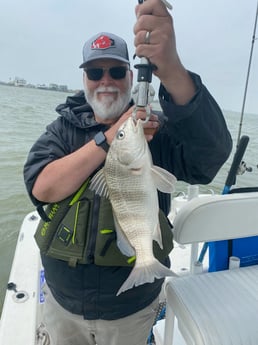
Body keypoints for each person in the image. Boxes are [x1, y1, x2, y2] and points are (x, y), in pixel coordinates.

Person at [24, 1, 232, 344]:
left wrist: (173, 70)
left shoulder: (156, 130)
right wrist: (111, 136)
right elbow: (41, 187)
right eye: (95, 73)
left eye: (116, 72)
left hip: (131, 310)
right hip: (63, 305)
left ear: (131, 77)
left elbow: (209, 159)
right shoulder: (62, 130)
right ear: (84, 80)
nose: (105, 81)